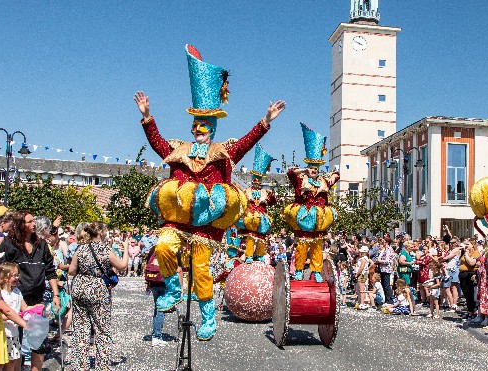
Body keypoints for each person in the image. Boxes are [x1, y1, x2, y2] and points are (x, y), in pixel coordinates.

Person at [134, 44, 286, 341]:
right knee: (163, 247)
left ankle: (207, 318)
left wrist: (265, 121)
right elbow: (158, 145)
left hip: (205, 224)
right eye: (195, 125)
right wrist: (147, 117)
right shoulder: (180, 150)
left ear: (212, 128)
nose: (198, 130)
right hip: (178, 222)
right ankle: (174, 290)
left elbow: (245, 143)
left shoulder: (222, 152)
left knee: (201, 271)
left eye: (204, 126)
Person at [0, 211, 59, 371]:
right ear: (20, 225)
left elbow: (51, 271)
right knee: (16, 341)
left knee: (39, 339)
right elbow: (0, 269)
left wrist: (56, 294)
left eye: (33, 221)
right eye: (29, 222)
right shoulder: (9, 244)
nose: (34, 224)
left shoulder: (41, 244)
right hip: (16, 299)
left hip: (38, 299)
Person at [67, 222, 129, 370]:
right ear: (100, 232)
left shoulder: (80, 248)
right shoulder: (105, 249)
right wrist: (126, 249)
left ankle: (81, 365)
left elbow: (71, 271)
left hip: (79, 287)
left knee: (81, 328)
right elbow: (122, 265)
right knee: (102, 329)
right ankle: (102, 366)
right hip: (97, 289)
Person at [284, 123, 339, 283]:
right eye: (311, 167)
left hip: (319, 221)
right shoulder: (301, 180)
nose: (314, 170)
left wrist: (333, 175)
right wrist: (303, 171)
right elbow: (290, 172)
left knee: (317, 248)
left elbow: (337, 174)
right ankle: (299, 270)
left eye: (316, 167)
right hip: (303, 220)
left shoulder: (323, 181)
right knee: (301, 248)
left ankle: (316, 271)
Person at [235, 144, 276, 263]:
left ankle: (260, 254)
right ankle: (248, 255)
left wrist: (272, 196)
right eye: (255, 180)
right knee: (251, 237)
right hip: (250, 217)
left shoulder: (264, 192)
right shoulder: (247, 191)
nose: (257, 182)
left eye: (259, 180)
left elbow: (272, 202)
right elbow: (241, 201)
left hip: (262, 218)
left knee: (261, 238)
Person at [0, 262, 31, 371]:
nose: (18, 278)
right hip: (3, 333)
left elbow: (24, 308)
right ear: (5, 277)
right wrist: (13, 316)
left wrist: (36, 308)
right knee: (0, 363)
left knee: (12, 361)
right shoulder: (0, 293)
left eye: (18, 275)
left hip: (14, 333)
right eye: (15, 275)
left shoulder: (17, 291)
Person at [144, 247, 174, 347]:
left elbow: (148, 263)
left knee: (157, 309)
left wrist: (147, 283)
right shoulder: (169, 249)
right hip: (164, 281)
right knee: (161, 310)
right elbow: (177, 268)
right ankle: (156, 336)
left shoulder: (153, 248)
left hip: (153, 281)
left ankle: (155, 333)